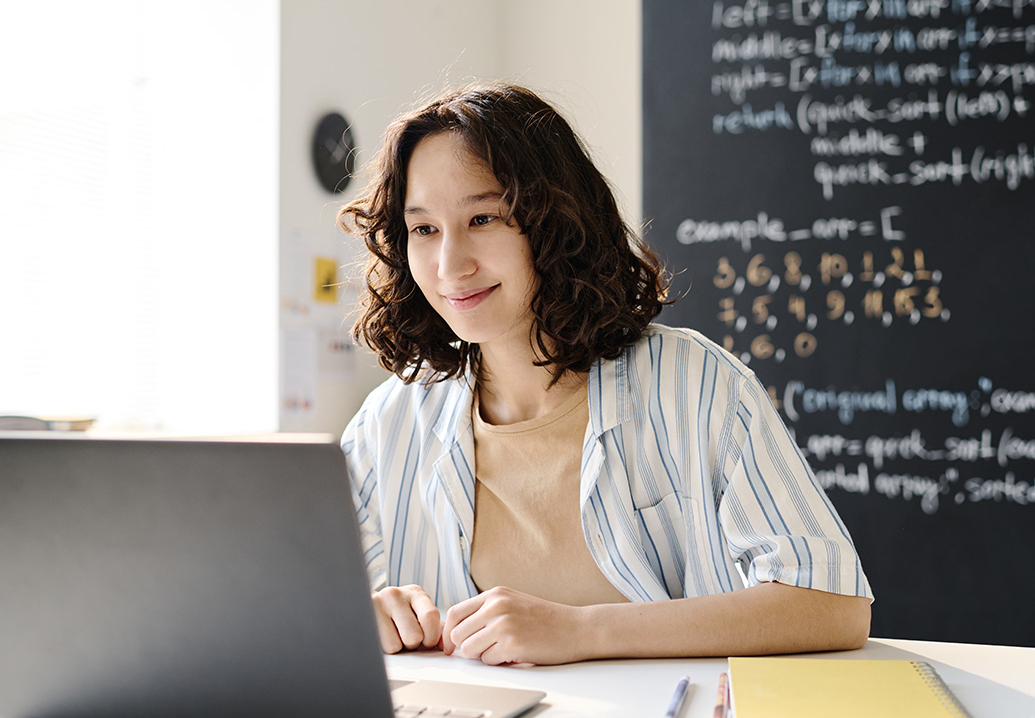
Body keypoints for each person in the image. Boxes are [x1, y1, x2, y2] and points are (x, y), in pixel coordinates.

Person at [338, 82, 872, 667]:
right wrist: (366, 615)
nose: (450, 265)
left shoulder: (694, 383)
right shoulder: (387, 424)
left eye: (484, 217)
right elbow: (308, 606)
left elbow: (832, 603)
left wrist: (583, 631)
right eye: (424, 229)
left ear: (555, 221)